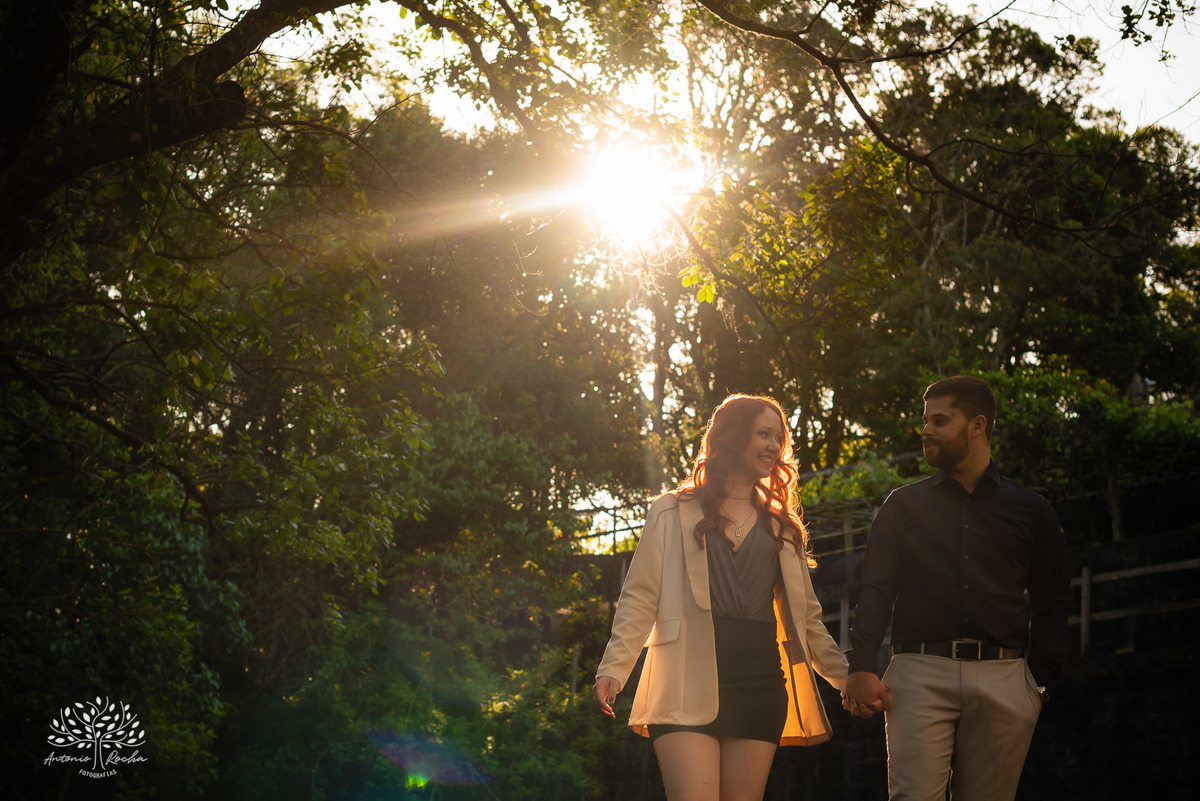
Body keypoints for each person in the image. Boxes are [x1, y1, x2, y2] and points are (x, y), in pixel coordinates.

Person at [592, 394, 858, 801]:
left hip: (759, 682)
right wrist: (613, 668)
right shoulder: (669, 511)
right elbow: (640, 596)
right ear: (733, 438)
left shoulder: (782, 527)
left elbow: (807, 620)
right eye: (764, 434)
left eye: (779, 437)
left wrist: (848, 680)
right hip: (683, 679)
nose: (774, 446)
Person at [843, 375, 1069, 801]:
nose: (927, 430)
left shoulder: (1032, 510)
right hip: (918, 673)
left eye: (941, 421)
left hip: (1005, 679)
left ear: (977, 425)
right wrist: (861, 664)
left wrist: (1037, 683)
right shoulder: (902, 506)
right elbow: (875, 589)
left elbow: (1053, 600)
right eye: (925, 421)